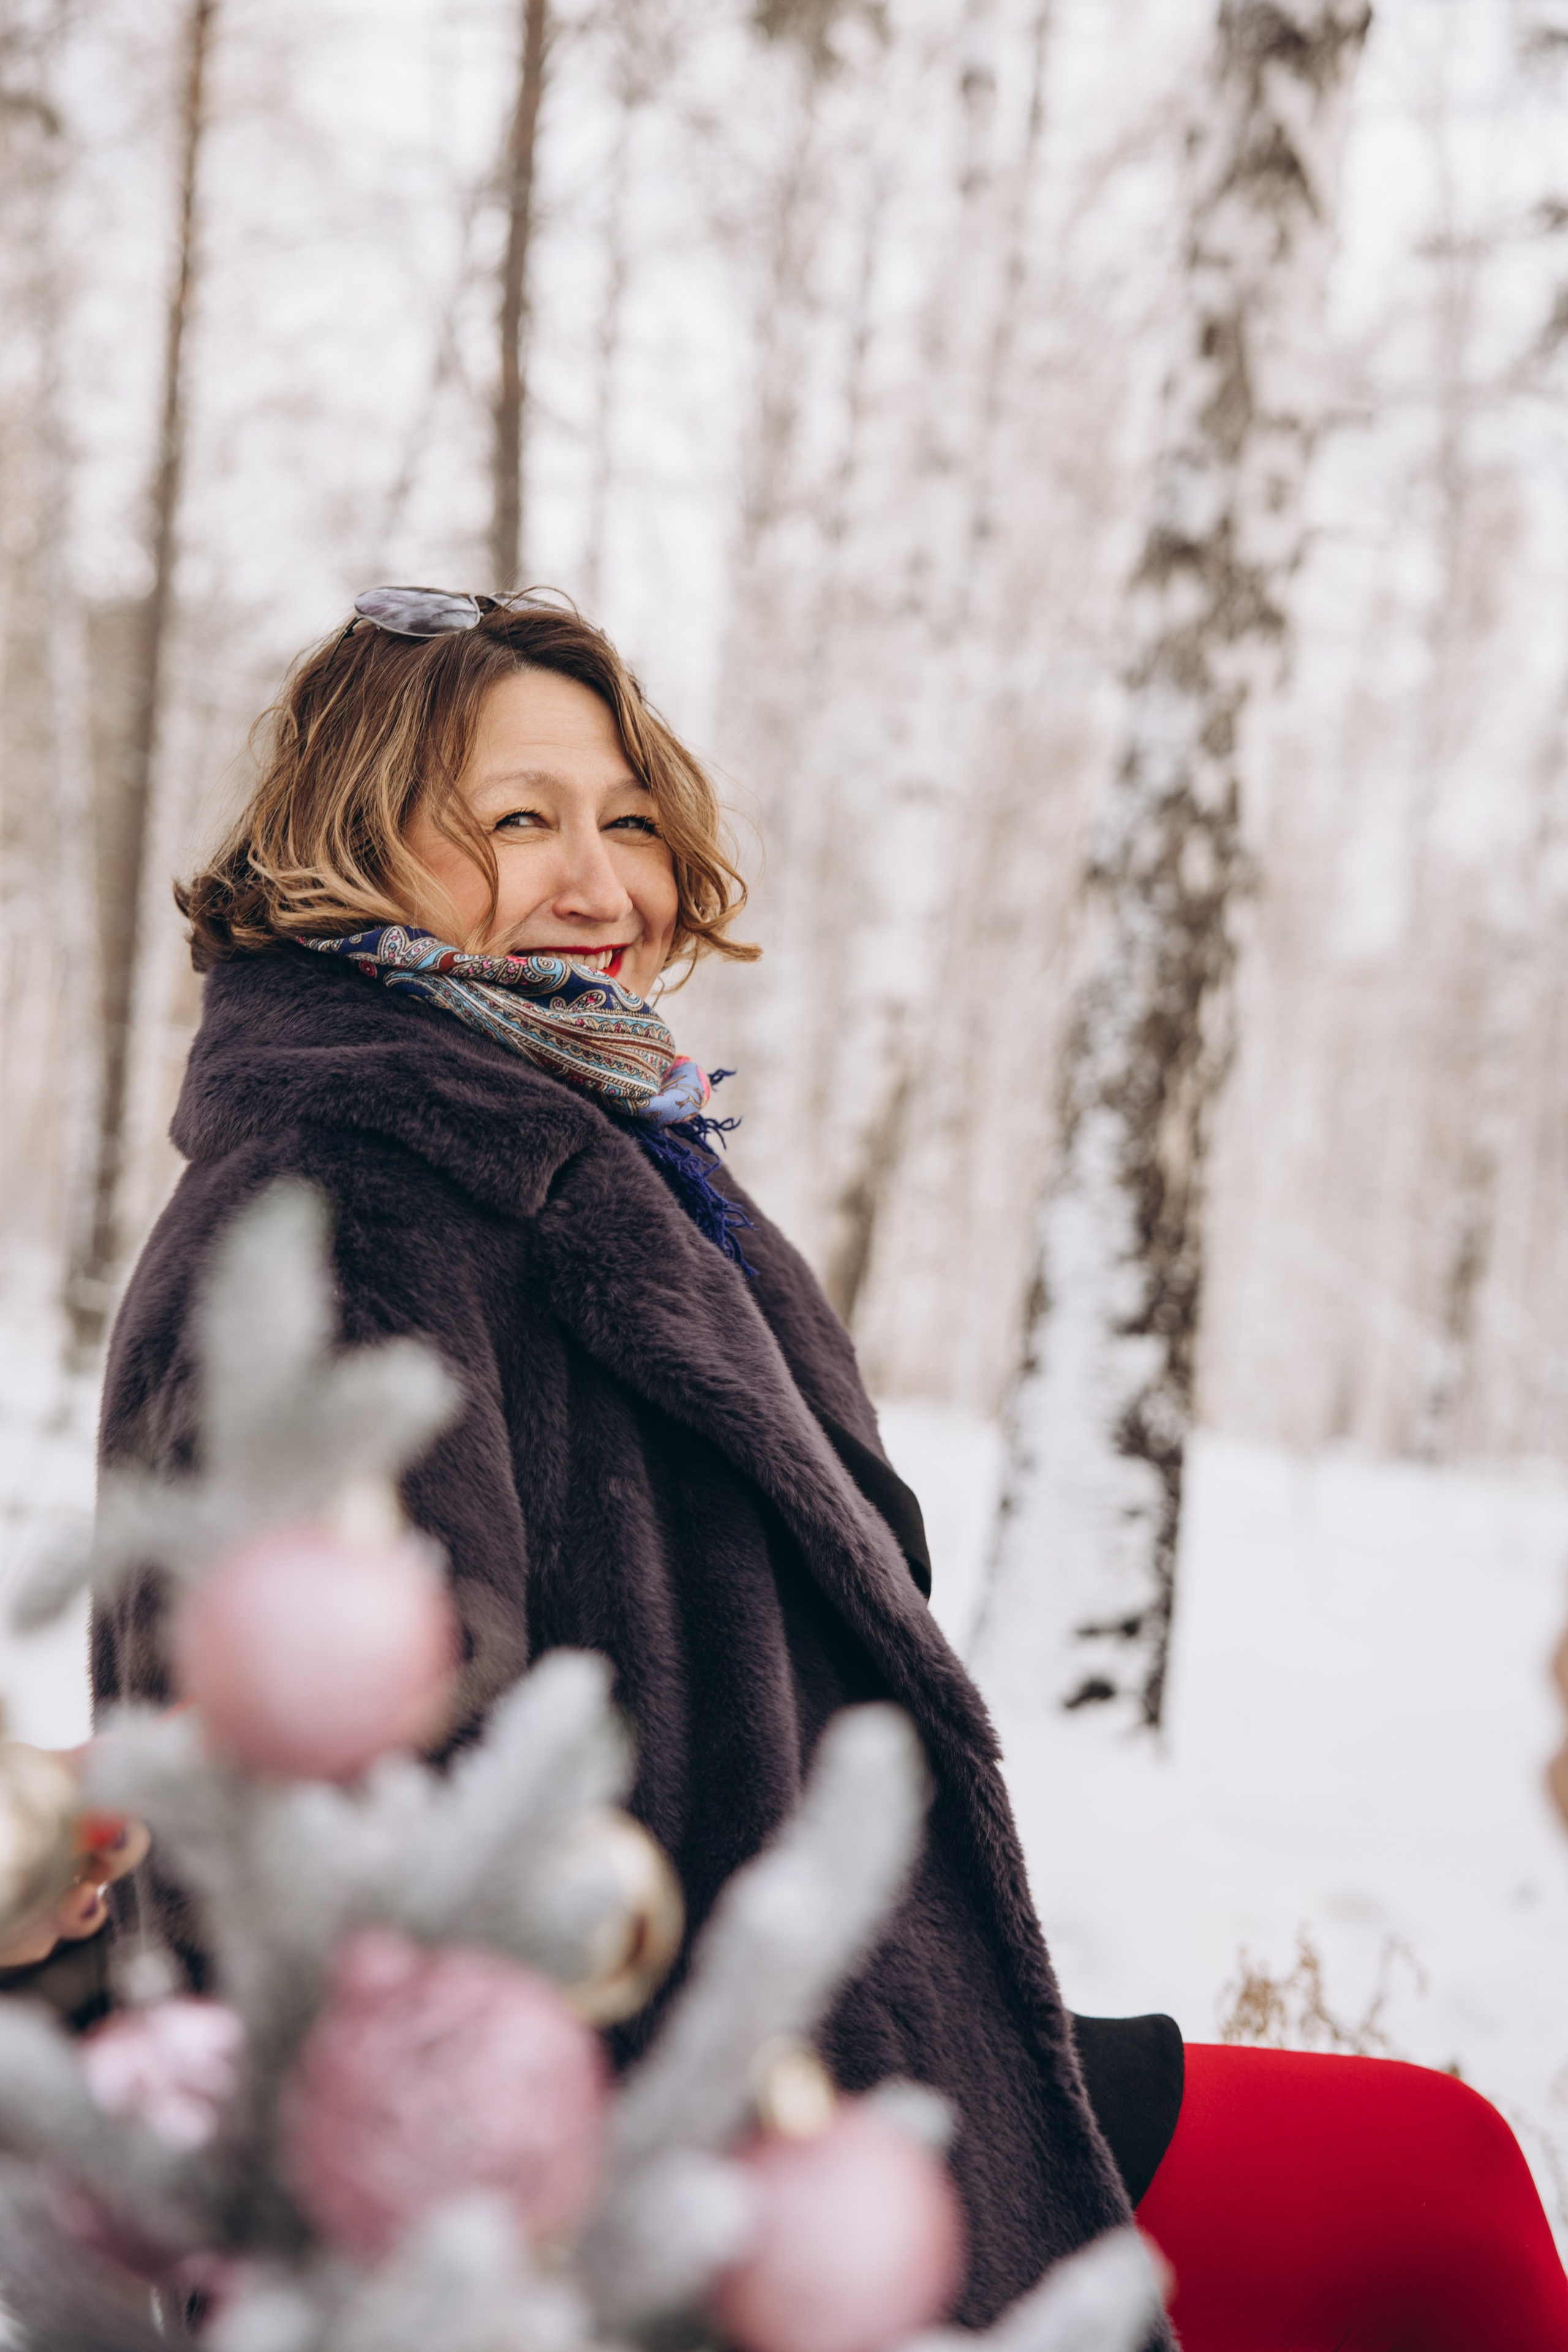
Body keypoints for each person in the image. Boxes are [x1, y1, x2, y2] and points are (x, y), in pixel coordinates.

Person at [72, 589, 1568, 2348]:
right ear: (349, 847)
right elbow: (296, 1851)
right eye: (516, 822)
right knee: (1432, 2202)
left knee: (1435, 2189)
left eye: (627, 818)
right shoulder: (344, 1208)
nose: (600, 885)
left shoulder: (604, 1157)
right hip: (656, 2163)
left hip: (860, 2040)